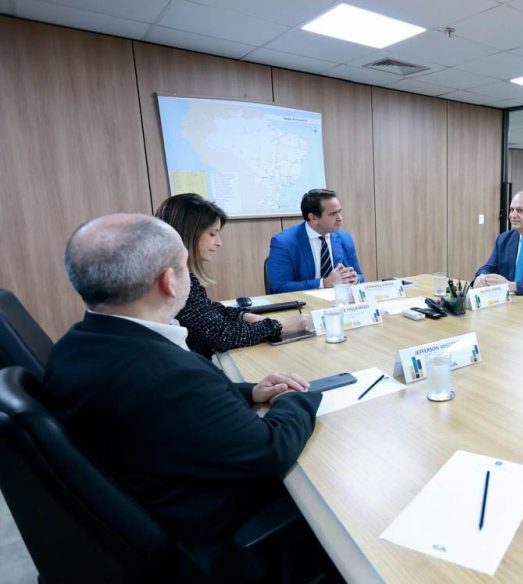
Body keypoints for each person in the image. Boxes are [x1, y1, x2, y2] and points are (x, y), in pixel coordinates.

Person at [38, 214, 323, 578]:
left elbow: (171, 410)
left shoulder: (76, 345)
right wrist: (299, 398)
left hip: (153, 489)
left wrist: (251, 391)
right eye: (184, 267)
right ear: (169, 281)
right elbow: (271, 450)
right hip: (214, 533)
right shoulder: (168, 374)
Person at [155, 193, 310, 358]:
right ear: (188, 233)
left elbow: (204, 310)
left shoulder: (170, 270)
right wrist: (282, 326)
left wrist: (242, 315)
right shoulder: (174, 279)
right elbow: (222, 336)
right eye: (212, 234)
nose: (219, 242)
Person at [268, 188, 364, 293]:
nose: (340, 218)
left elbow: (359, 275)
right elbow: (280, 287)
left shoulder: (344, 238)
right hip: (304, 305)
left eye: (339, 212)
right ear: (313, 218)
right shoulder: (283, 242)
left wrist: (354, 279)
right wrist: (324, 283)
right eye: (332, 214)